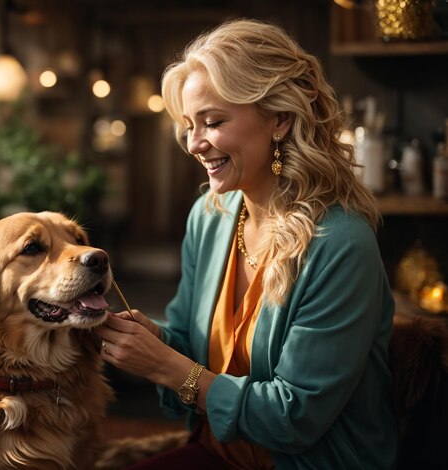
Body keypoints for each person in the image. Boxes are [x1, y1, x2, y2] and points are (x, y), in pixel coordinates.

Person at [97, 18, 397, 469]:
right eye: (188, 125)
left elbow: (293, 419)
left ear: (280, 119)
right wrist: (151, 339)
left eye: (212, 122)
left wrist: (161, 364)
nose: (195, 144)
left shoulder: (340, 244)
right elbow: (190, 342)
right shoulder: (210, 216)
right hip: (218, 451)